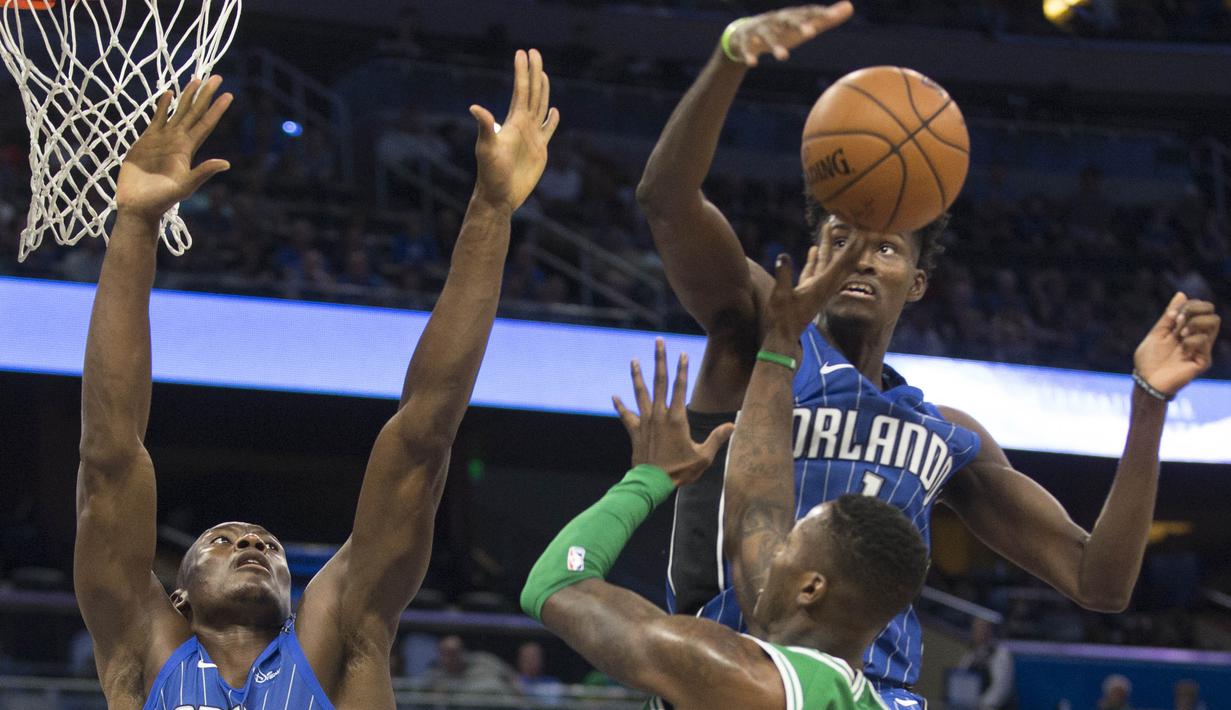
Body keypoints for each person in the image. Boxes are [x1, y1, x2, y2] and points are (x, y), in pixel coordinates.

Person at [634, 2, 1222, 705]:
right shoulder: (763, 334)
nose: (858, 256)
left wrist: (1148, 406)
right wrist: (730, 57)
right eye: (840, 237)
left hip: (873, 695)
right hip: (738, 676)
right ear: (812, 255)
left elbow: (1100, 581)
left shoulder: (945, 434)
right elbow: (666, 199)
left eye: (884, 247)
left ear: (916, 283)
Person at [74, 50, 560, 709]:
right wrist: (135, 224)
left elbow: (422, 435)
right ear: (178, 595)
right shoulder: (145, 650)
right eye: (222, 542)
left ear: (292, 594)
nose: (251, 542)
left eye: (266, 546)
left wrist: (491, 212)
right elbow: (109, 456)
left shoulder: (342, 642)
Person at [521, 244, 933, 709]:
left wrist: (646, 480)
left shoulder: (742, 678)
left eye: (787, 546)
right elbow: (758, 508)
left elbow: (556, 584)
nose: (771, 549)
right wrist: (778, 348)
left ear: (811, 588)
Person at [955, 618, 1015, 710]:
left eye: (981, 628)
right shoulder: (971, 655)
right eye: (975, 629)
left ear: (989, 630)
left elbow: (1001, 687)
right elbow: (961, 678)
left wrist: (982, 704)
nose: (976, 632)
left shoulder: (1000, 654)